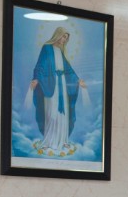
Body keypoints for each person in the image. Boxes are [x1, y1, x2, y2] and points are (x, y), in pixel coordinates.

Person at [29, 27, 87, 157]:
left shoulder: (61, 52)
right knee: (52, 111)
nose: (64, 40)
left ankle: (62, 140)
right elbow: (40, 65)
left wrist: (78, 81)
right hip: (50, 85)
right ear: (57, 35)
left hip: (62, 87)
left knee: (63, 113)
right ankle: (50, 141)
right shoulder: (47, 48)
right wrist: (36, 79)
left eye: (66, 38)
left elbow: (68, 69)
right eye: (63, 36)